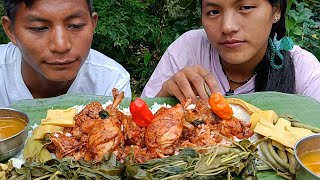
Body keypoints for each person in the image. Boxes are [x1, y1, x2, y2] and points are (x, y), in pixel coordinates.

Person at [141, 0, 320, 102]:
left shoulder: (303, 68)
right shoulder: (188, 49)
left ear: (276, 11)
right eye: (213, 12)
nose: (227, 27)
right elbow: (137, 123)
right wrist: (163, 96)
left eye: (245, 7)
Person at [0, 0, 131, 107]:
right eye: (39, 28)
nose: (61, 46)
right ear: (10, 30)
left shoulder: (110, 82)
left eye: (76, 25)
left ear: (93, 24)